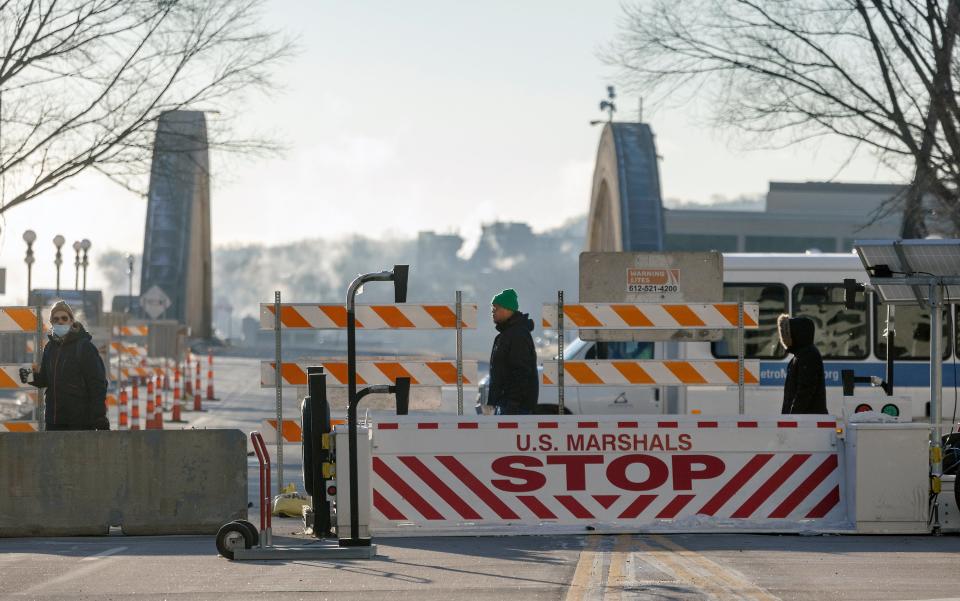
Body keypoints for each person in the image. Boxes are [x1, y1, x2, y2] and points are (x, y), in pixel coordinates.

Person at [20, 301, 109, 430]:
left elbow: (98, 383)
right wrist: (29, 376)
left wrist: (99, 416)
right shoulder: (50, 348)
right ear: (51, 322)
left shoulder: (84, 347)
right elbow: (46, 379)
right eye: (56, 319)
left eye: (64, 318)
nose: (60, 321)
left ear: (71, 321)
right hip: (54, 421)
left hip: (79, 423)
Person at [487, 288, 538, 415]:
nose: (492, 312)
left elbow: (521, 371)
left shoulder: (517, 335)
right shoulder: (506, 335)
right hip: (506, 405)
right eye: (492, 309)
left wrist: (512, 404)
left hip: (514, 408)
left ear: (507, 309)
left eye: (496, 309)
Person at [777, 314, 827, 414]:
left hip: (806, 421)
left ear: (797, 334)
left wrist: (792, 416)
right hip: (805, 419)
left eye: (788, 333)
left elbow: (805, 391)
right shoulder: (801, 355)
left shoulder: (807, 355)